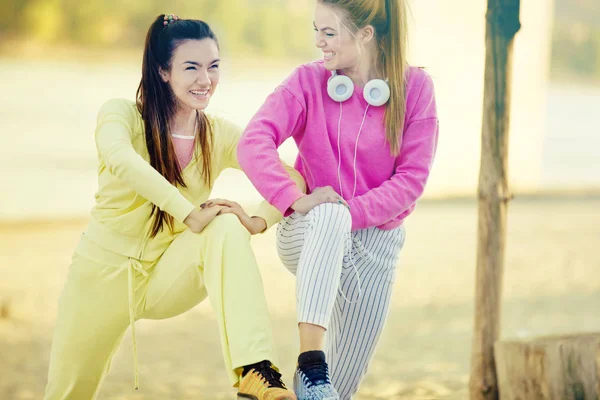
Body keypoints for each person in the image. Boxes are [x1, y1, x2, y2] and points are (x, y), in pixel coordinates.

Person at [43, 14, 304, 400]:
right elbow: (120, 159)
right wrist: (187, 210)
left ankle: (255, 370)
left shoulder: (219, 134)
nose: (206, 79)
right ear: (164, 71)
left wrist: (258, 220)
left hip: (168, 274)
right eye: (192, 67)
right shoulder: (122, 115)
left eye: (214, 66)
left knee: (226, 225)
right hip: (100, 277)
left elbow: (293, 178)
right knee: (67, 393)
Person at [236, 1, 439, 398]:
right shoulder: (307, 81)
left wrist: (353, 213)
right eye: (316, 30)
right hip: (309, 232)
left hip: (376, 246)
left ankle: (310, 385)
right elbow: (252, 142)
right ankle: (311, 362)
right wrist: (293, 198)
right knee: (329, 212)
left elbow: (412, 179)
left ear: (365, 34)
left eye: (328, 33)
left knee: (335, 392)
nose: (318, 42)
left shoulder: (416, 89)